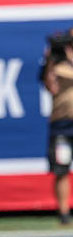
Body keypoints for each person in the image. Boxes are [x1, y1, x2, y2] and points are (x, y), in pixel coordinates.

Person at [42, 30, 73, 225]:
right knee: (61, 168)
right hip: (62, 124)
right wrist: (51, 61)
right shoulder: (56, 64)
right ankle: (63, 213)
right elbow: (50, 86)